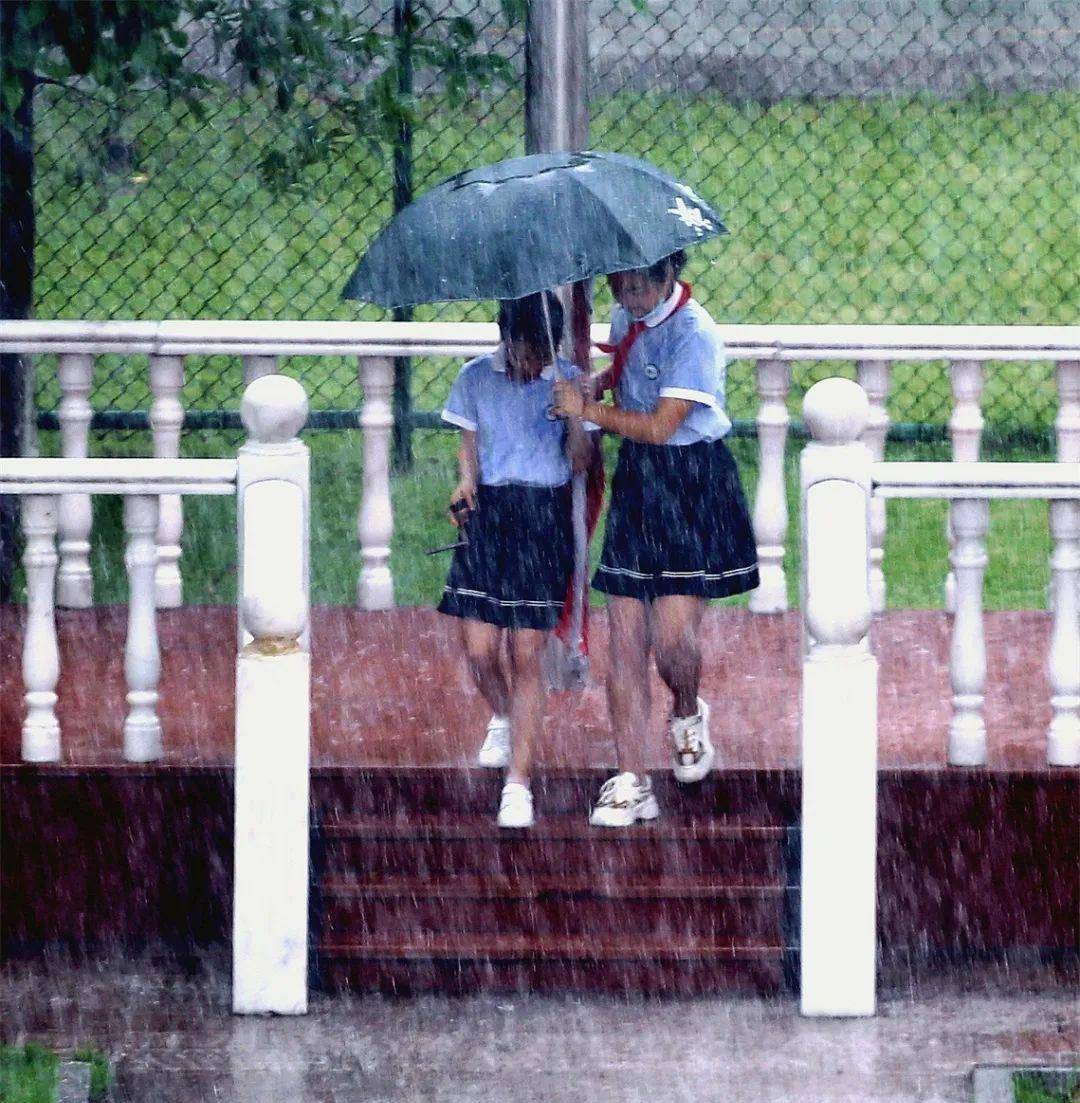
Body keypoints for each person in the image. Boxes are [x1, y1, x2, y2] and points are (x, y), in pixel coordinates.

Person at [552, 251, 759, 827]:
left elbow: (663, 425)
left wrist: (588, 409)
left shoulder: (696, 333)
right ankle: (632, 779)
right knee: (624, 639)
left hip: (691, 482)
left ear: (671, 274)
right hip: (641, 483)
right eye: (621, 288)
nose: (631, 299)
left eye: (641, 289)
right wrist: (590, 386)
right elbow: (625, 377)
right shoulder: (625, 319)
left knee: (671, 643)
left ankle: (688, 710)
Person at [438, 291, 591, 828]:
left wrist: (575, 416)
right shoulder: (476, 377)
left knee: (527, 653)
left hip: (540, 516)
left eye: (538, 356)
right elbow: (469, 446)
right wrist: (465, 483)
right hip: (492, 514)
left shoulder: (566, 379)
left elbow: (580, 463)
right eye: (521, 354)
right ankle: (504, 716)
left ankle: (518, 783)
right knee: (479, 648)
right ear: (506, 339)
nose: (530, 367)